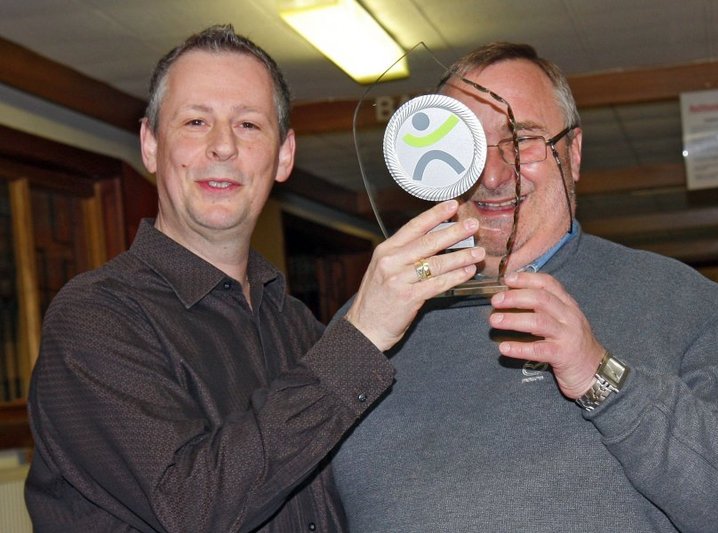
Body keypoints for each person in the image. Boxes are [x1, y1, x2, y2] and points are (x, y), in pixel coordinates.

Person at [24, 25, 485, 532]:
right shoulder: (94, 319)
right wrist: (361, 337)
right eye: (196, 121)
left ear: (284, 155)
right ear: (150, 145)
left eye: (248, 124)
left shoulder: (296, 324)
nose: (223, 146)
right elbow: (192, 510)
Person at [332, 42, 718, 532]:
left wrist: (603, 379)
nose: (492, 174)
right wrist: (355, 339)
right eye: (465, 147)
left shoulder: (685, 303)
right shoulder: (368, 321)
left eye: (522, 139)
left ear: (572, 153)